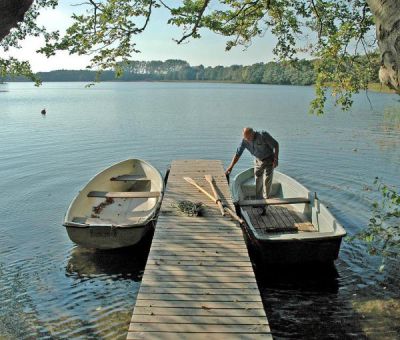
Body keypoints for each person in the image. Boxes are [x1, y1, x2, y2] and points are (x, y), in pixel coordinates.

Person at [225, 127, 279, 214]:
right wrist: (230, 167)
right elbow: (237, 154)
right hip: (258, 160)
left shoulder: (263, 135)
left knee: (267, 180)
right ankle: (258, 201)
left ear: (253, 133)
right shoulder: (244, 141)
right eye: (245, 137)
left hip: (269, 159)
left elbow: (276, 144)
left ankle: (265, 202)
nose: (247, 140)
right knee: (258, 179)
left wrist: (276, 159)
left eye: (248, 138)